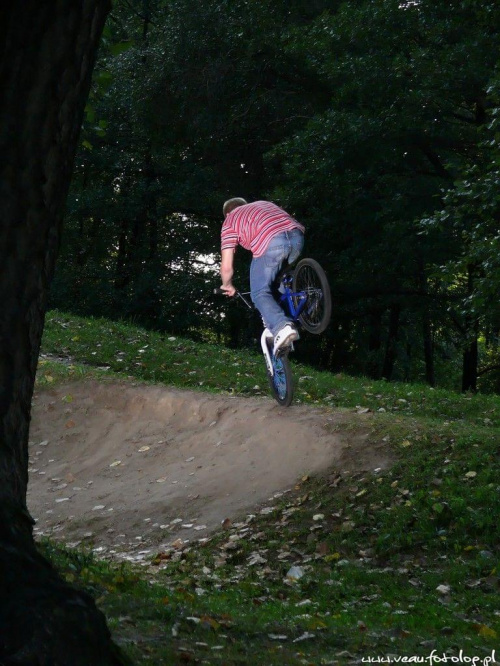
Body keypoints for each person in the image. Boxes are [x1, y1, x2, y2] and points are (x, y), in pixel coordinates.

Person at [219, 198, 305, 355]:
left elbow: (226, 266)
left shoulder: (230, 220)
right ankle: (296, 308)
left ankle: (282, 326)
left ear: (227, 213)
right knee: (276, 281)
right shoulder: (264, 204)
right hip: (297, 237)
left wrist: (227, 284)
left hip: (271, 242)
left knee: (259, 293)